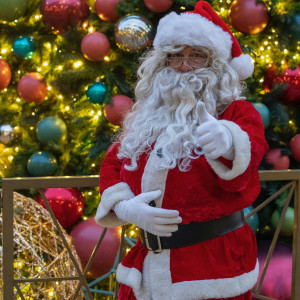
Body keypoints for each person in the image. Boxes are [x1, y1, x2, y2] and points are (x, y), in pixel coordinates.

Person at [95, 1, 268, 299]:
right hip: (146, 270)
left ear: (215, 64)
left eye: (196, 56)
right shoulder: (148, 114)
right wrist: (125, 207)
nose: (184, 65)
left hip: (211, 271)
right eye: (175, 56)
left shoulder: (236, 111)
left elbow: (248, 160)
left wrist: (227, 141)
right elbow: (114, 164)